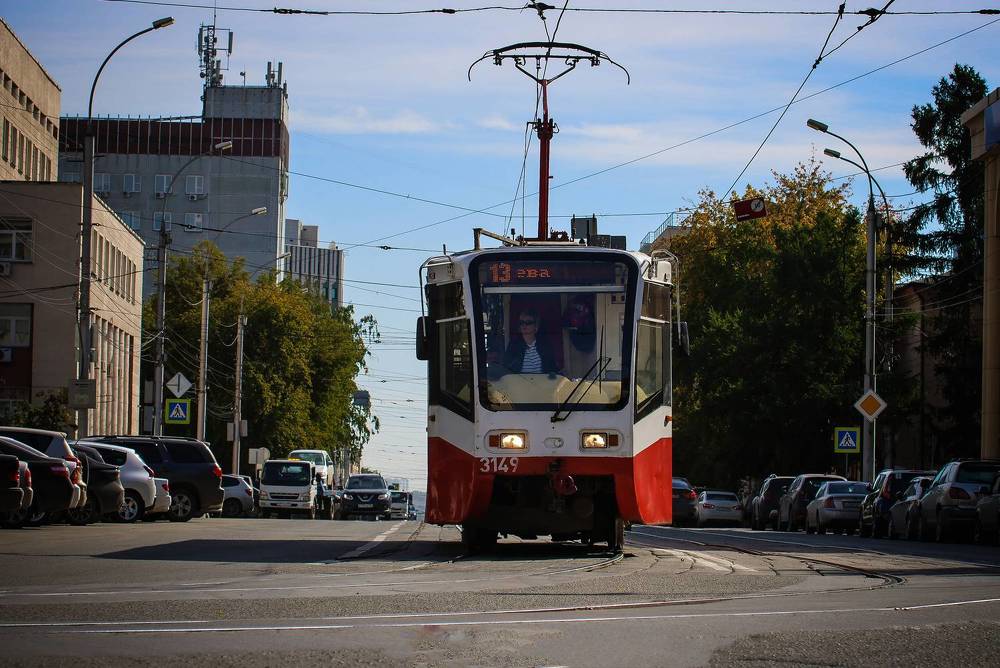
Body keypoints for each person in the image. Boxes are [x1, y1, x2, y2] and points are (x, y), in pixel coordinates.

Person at [502, 308, 560, 374]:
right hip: (519, 380)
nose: (524, 325)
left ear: (536, 326)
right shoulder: (514, 345)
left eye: (528, 322)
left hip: (542, 380)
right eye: (522, 322)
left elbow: (552, 368)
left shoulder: (544, 345)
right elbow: (506, 367)